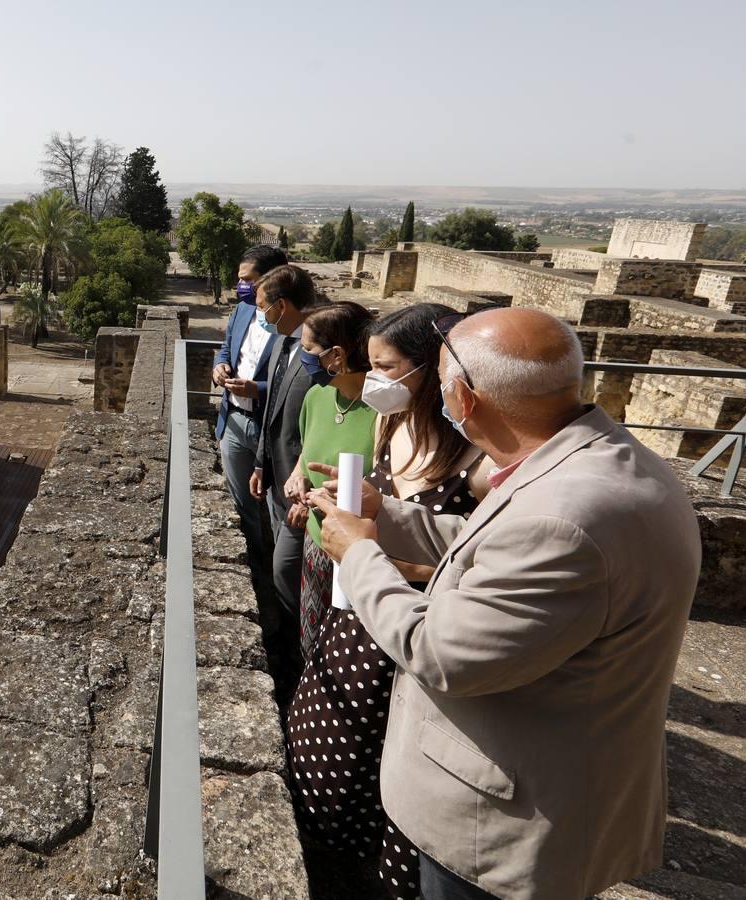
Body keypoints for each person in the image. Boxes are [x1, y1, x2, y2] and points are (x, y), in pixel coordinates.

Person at [311, 307, 700, 900]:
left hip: (503, 822)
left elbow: (442, 653)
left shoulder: (564, 518)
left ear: (464, 398)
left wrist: (359, 554)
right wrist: (382, 517)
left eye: (440, 381)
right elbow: (487, 550)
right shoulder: (591, 462)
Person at [287, 303, 494, 899]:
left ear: (434, 370)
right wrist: (345, 505)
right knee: (326, 761)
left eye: (387, 366)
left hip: (409, 640)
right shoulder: (391, 425)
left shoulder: (478, 468)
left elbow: (478, 576)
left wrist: (381, 559)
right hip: (353, 620)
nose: (374, 377)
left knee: (385, 782)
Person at [240, 264, 326, 699]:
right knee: (283, 566)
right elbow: (271, 409)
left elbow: (320, 431)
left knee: (286, 571)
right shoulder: (281, 344)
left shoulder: (319, 357)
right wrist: (259, 465)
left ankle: (296, 663)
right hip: (275, 479)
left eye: (262, 307)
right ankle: (290, 648)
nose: (259, 314)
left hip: (300, 491)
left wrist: (307, 490)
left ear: (282, 305)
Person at [277, 299, 378, 655]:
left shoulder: (384, 415)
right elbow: (307, 450)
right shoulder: (318, 396)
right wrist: (296, 478)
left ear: (336, 356)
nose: (302, 356)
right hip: (317, 541)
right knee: (310, 644)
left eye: (307, 349)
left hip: (361, 558)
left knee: (343, 653)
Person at [211, 244, 288, 601]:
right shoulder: (241, 310)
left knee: (278, 509)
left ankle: (280, 583)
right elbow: (228, 348)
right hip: (234, 421)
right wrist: (219, 366)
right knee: (241, 507)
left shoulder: (291, 322)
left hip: (269, 430)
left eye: (248, 280)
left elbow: (297, 380)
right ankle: (255, 578)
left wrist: (256, 388)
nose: (240, 286)